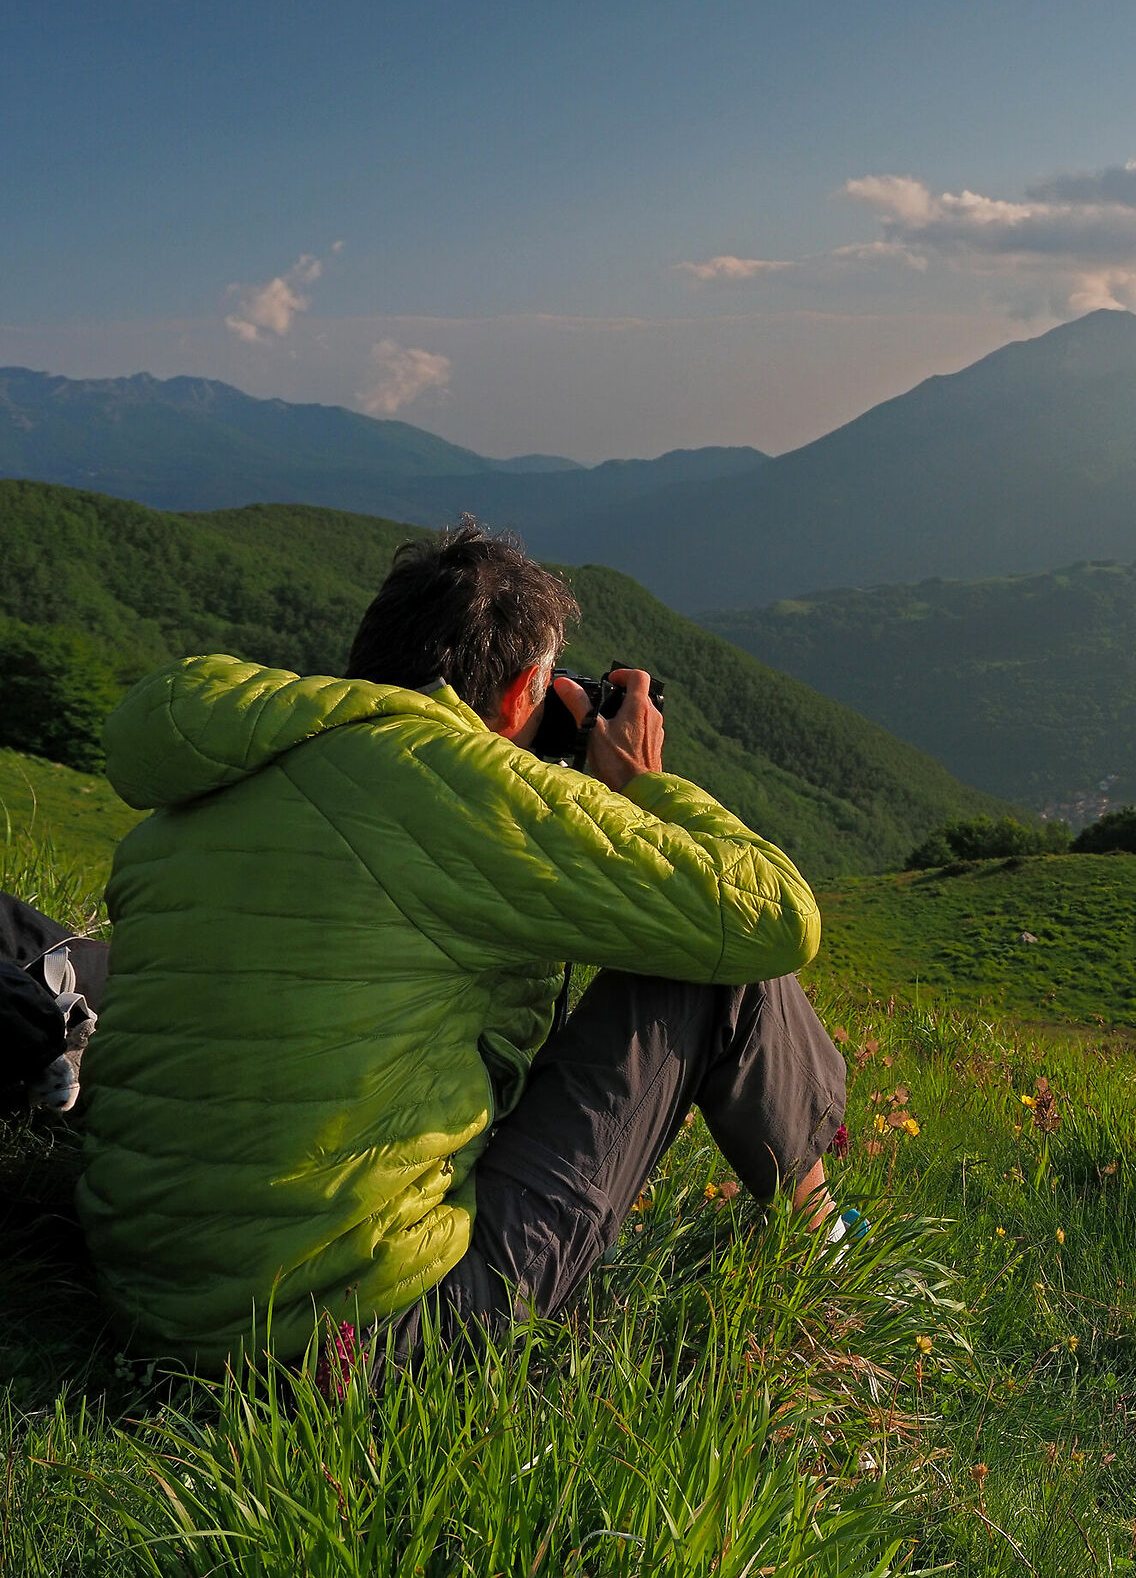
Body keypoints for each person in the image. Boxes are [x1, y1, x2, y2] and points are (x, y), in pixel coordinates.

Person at [75, 521, 848, 1364]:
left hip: (142, 1301)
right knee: (719, 960)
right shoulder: (460, 788)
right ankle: (826, 1260)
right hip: (355, 1343)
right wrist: (642, 784)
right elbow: (776, 917)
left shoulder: (219, 767)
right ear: (525, 694)